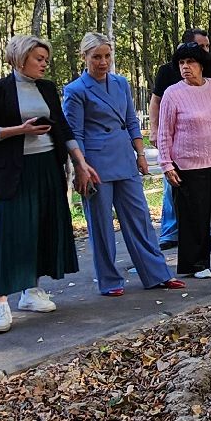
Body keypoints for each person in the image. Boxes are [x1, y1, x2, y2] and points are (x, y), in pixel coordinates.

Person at [0, 35, 100, 334]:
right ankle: (0, 303)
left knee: (41, 227)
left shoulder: (47, 88)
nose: (44, 64)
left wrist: (79, 162)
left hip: (47, 166)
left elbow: (62, 126)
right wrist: (20, 130)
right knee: (10, 232)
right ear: (20, 58)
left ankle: (31, 291)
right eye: (39, 59)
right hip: (12, 171)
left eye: (46, 59)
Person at [62, 33, 182, 296]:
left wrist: (140, 154)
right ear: (84, 57)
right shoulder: (75, 91)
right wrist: (80, 167)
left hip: (125, 158)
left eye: (107, 56)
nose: (103, 62)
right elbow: (74, 134)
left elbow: (130, 121)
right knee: (101, 224)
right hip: (94, 163)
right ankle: (110, 280)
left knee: (139, 218)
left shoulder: (120, 83)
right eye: (96, 57)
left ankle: (157, 273)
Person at [157, 42, 211, 278]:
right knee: (194, 216)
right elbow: (165, 133)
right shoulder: (172, 94)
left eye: (191, 62)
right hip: (189, 165)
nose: (186, 67)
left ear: (202, 65)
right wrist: (166, 164)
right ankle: (196, 264)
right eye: (182, 63)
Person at [148, 29, 211, 252]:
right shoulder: (168, 74)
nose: (206, 50)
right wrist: (154, 130)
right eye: (201, 46)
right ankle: (171, 232)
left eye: (207, 47)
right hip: (184, 155)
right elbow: (156, 101)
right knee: (177, 196)